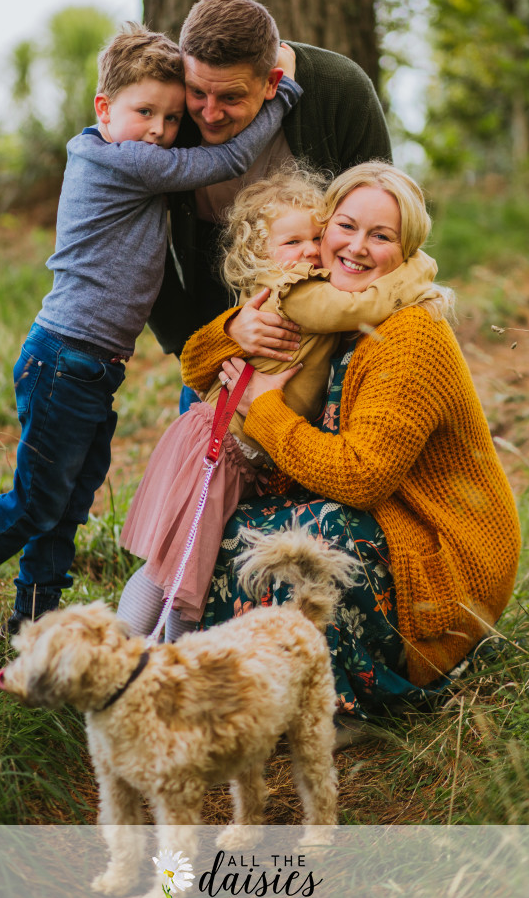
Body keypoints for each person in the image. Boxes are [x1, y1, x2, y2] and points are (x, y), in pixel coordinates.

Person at [0, 23, 304, 638]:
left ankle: (34, 622)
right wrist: (283, 96)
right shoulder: (119, 159)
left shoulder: (127, 154)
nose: (159, 130)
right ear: (104, 108)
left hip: (92, 366)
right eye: (145, 112)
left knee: (68, 502)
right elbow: (227, 159)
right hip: (64, 358)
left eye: (172, 118)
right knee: (39, 499)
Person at [179, 162, 521, 737]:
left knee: (306, 539)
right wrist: (234, 329)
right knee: (230, 525)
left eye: (381, 236)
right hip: (387, 521)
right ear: (324, 228)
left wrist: (265, 410)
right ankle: (232, 685)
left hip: (441, 568)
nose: (357, 247)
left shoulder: (410, 335)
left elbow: (363, 479)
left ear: (406, 251)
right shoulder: (335, 309)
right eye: (345, 226)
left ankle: (339, 705)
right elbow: (195, 369)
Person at [116, 169, 440, 640]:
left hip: (235, 449)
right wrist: (416, 269)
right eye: (292, 242)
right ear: (261, 254)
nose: (309, 251)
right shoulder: (294, 290)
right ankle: (132, 650)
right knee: (180, 574)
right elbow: (360, 308)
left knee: (179, 569)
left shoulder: (307, 284)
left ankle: (155, 657)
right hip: (222, 449)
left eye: (314, 237)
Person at [146, 0, 393, 370]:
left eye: (231, 97)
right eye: (197, 92)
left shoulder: (340, 89)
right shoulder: (164, 105)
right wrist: (197, 342)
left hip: (332, 297)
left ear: (273, 83)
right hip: (214, 291)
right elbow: (134, 240)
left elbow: (384, 216)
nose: (209, 113)